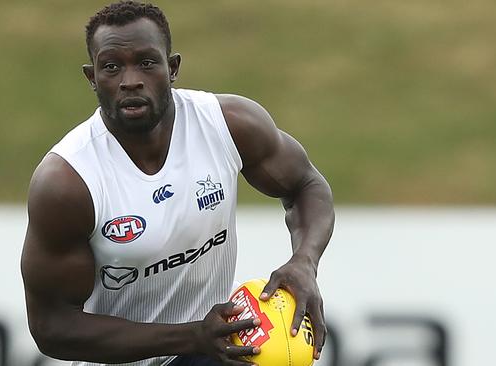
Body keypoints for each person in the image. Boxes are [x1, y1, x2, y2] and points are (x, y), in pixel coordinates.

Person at [21, 1, 334, 365]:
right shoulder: (68, 182)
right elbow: (52, 327)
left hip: (205, 351)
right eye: (111, 67)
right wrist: (191, 336)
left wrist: (304, 262)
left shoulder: (229, 125)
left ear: (172, 68)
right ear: (92, 78)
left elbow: (307, 185)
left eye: (147, 62)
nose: (130, 80)